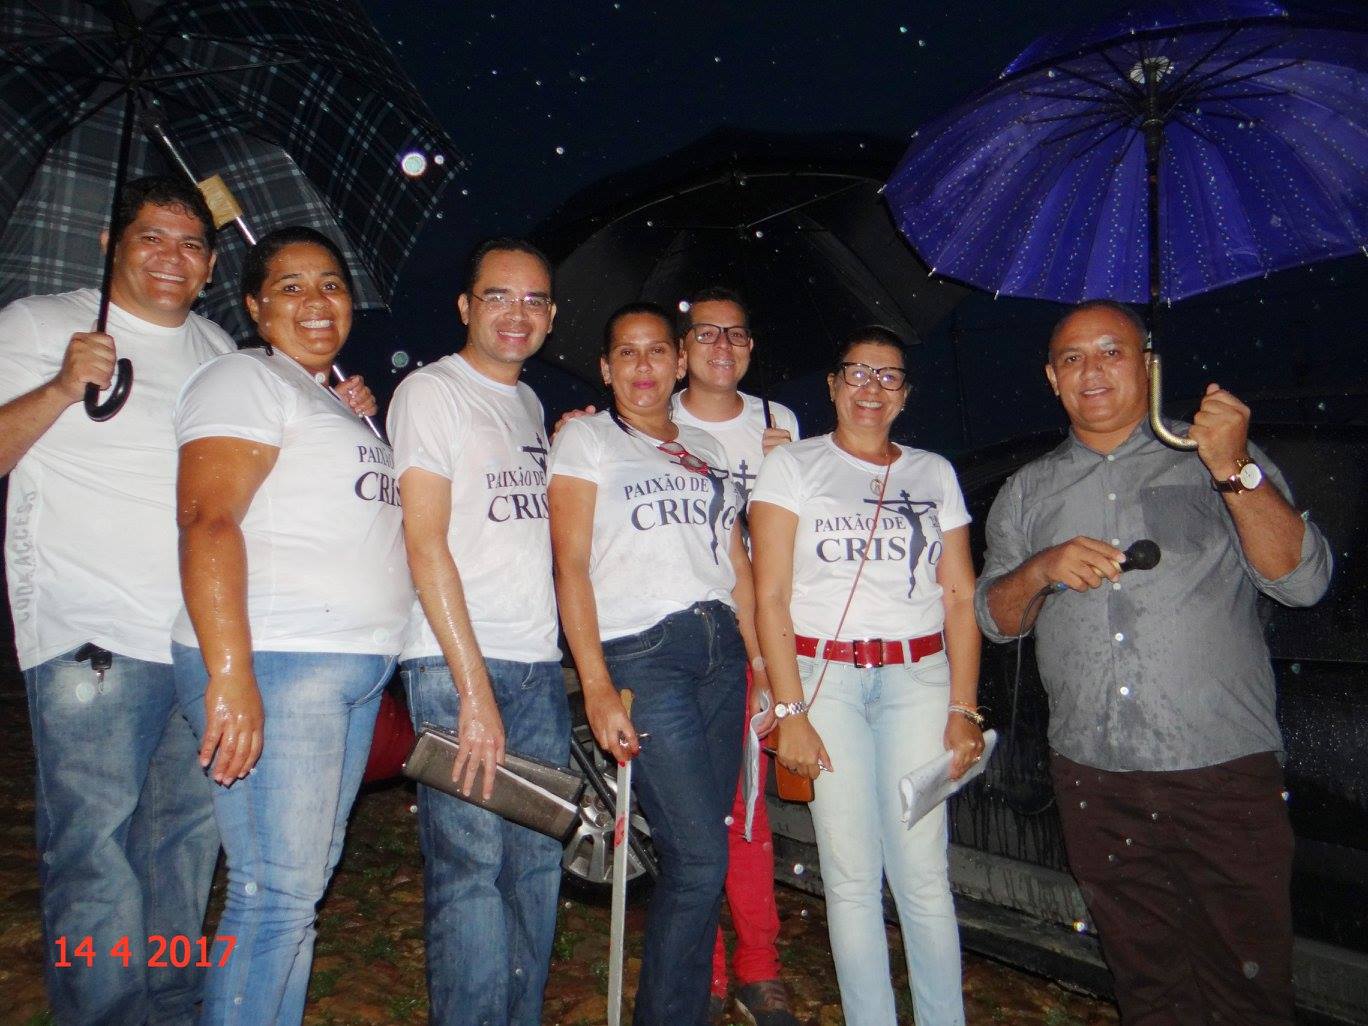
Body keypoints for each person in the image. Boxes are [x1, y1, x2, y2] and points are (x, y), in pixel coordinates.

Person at [974, 300, 1333, 1026]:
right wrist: (1040, 569)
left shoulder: (1215, 459)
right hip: (1094, 775)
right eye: (1072, 358)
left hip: (1219, 770)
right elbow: (995, 619)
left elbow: (1303, 581)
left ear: (1148, 365)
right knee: (1146, 983)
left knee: (1248, 988)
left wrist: (1233, 469)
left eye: (1111, 351)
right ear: (1052, 378)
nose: (1092, 370)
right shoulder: (1028, 491)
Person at [0, 175, 229, 1026]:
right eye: (152, 237)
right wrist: (61, 387)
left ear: (210, 267)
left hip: (197, 644)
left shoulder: (218, 349)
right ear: (111, 245)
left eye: (191, 244)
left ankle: (169, 1011)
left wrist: (331, 405)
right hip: (88, 640)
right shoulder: (38, 325)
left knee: (183, 855)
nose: (172, 257)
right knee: (93, 856)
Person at [172, 226, 410, 1026]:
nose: (317, 301)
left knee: (298, 889)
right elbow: (208, 521)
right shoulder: (242, 378)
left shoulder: (326, 397)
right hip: (278, 658)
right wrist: (230, 675)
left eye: (331, 284)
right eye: (291, 286)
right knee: (274, 891)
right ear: (253, 305)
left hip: (344, 667)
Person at [750, 326, 983, 1026]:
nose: (871, 389)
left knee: (924, 875)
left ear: (905, 395)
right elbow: (769, 595)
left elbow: (960, 596)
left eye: (888, 377)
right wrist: (790, 712)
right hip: (827, 680)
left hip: (919, 677)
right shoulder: (793, 466)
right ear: (832, 385)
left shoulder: (934, 473)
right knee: (851, 876)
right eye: (857, 373)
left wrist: (964, 709)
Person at [548, 302, 761, 1026]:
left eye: (656, 351)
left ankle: (683, 1009)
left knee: (703, 853)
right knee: (699, 858)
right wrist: (597, 686)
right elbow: (571, 566)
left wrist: (760, 664)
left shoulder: (705, 444)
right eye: (626, 353)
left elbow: (734, 561)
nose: (643, 366)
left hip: (720, 649)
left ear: (679, 362)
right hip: (644, 653)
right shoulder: (587, 441)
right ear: (606, 369)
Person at [387, 238, 569, 1026]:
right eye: (498, 296)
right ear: (466, 306)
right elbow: (424, 542)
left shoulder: (529, 407)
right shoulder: (431, 393)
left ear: (551, 317)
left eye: (533, 300)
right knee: (470, 868)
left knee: (534, 865)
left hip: (536, 664)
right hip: (454, 663)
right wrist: (471, 690)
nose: (516, 314)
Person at [669, 286, 799, 1025]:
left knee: (746, 809)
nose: (722, 346)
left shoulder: (780, 423)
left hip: (757, 635)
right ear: (681, 349)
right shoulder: (652, 417)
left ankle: (758, 966)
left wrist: (791, 473)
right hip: (677, 635)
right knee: (686, 811)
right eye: (706, 333)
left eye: (737, 333)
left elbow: (795, 538)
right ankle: (704, 969)